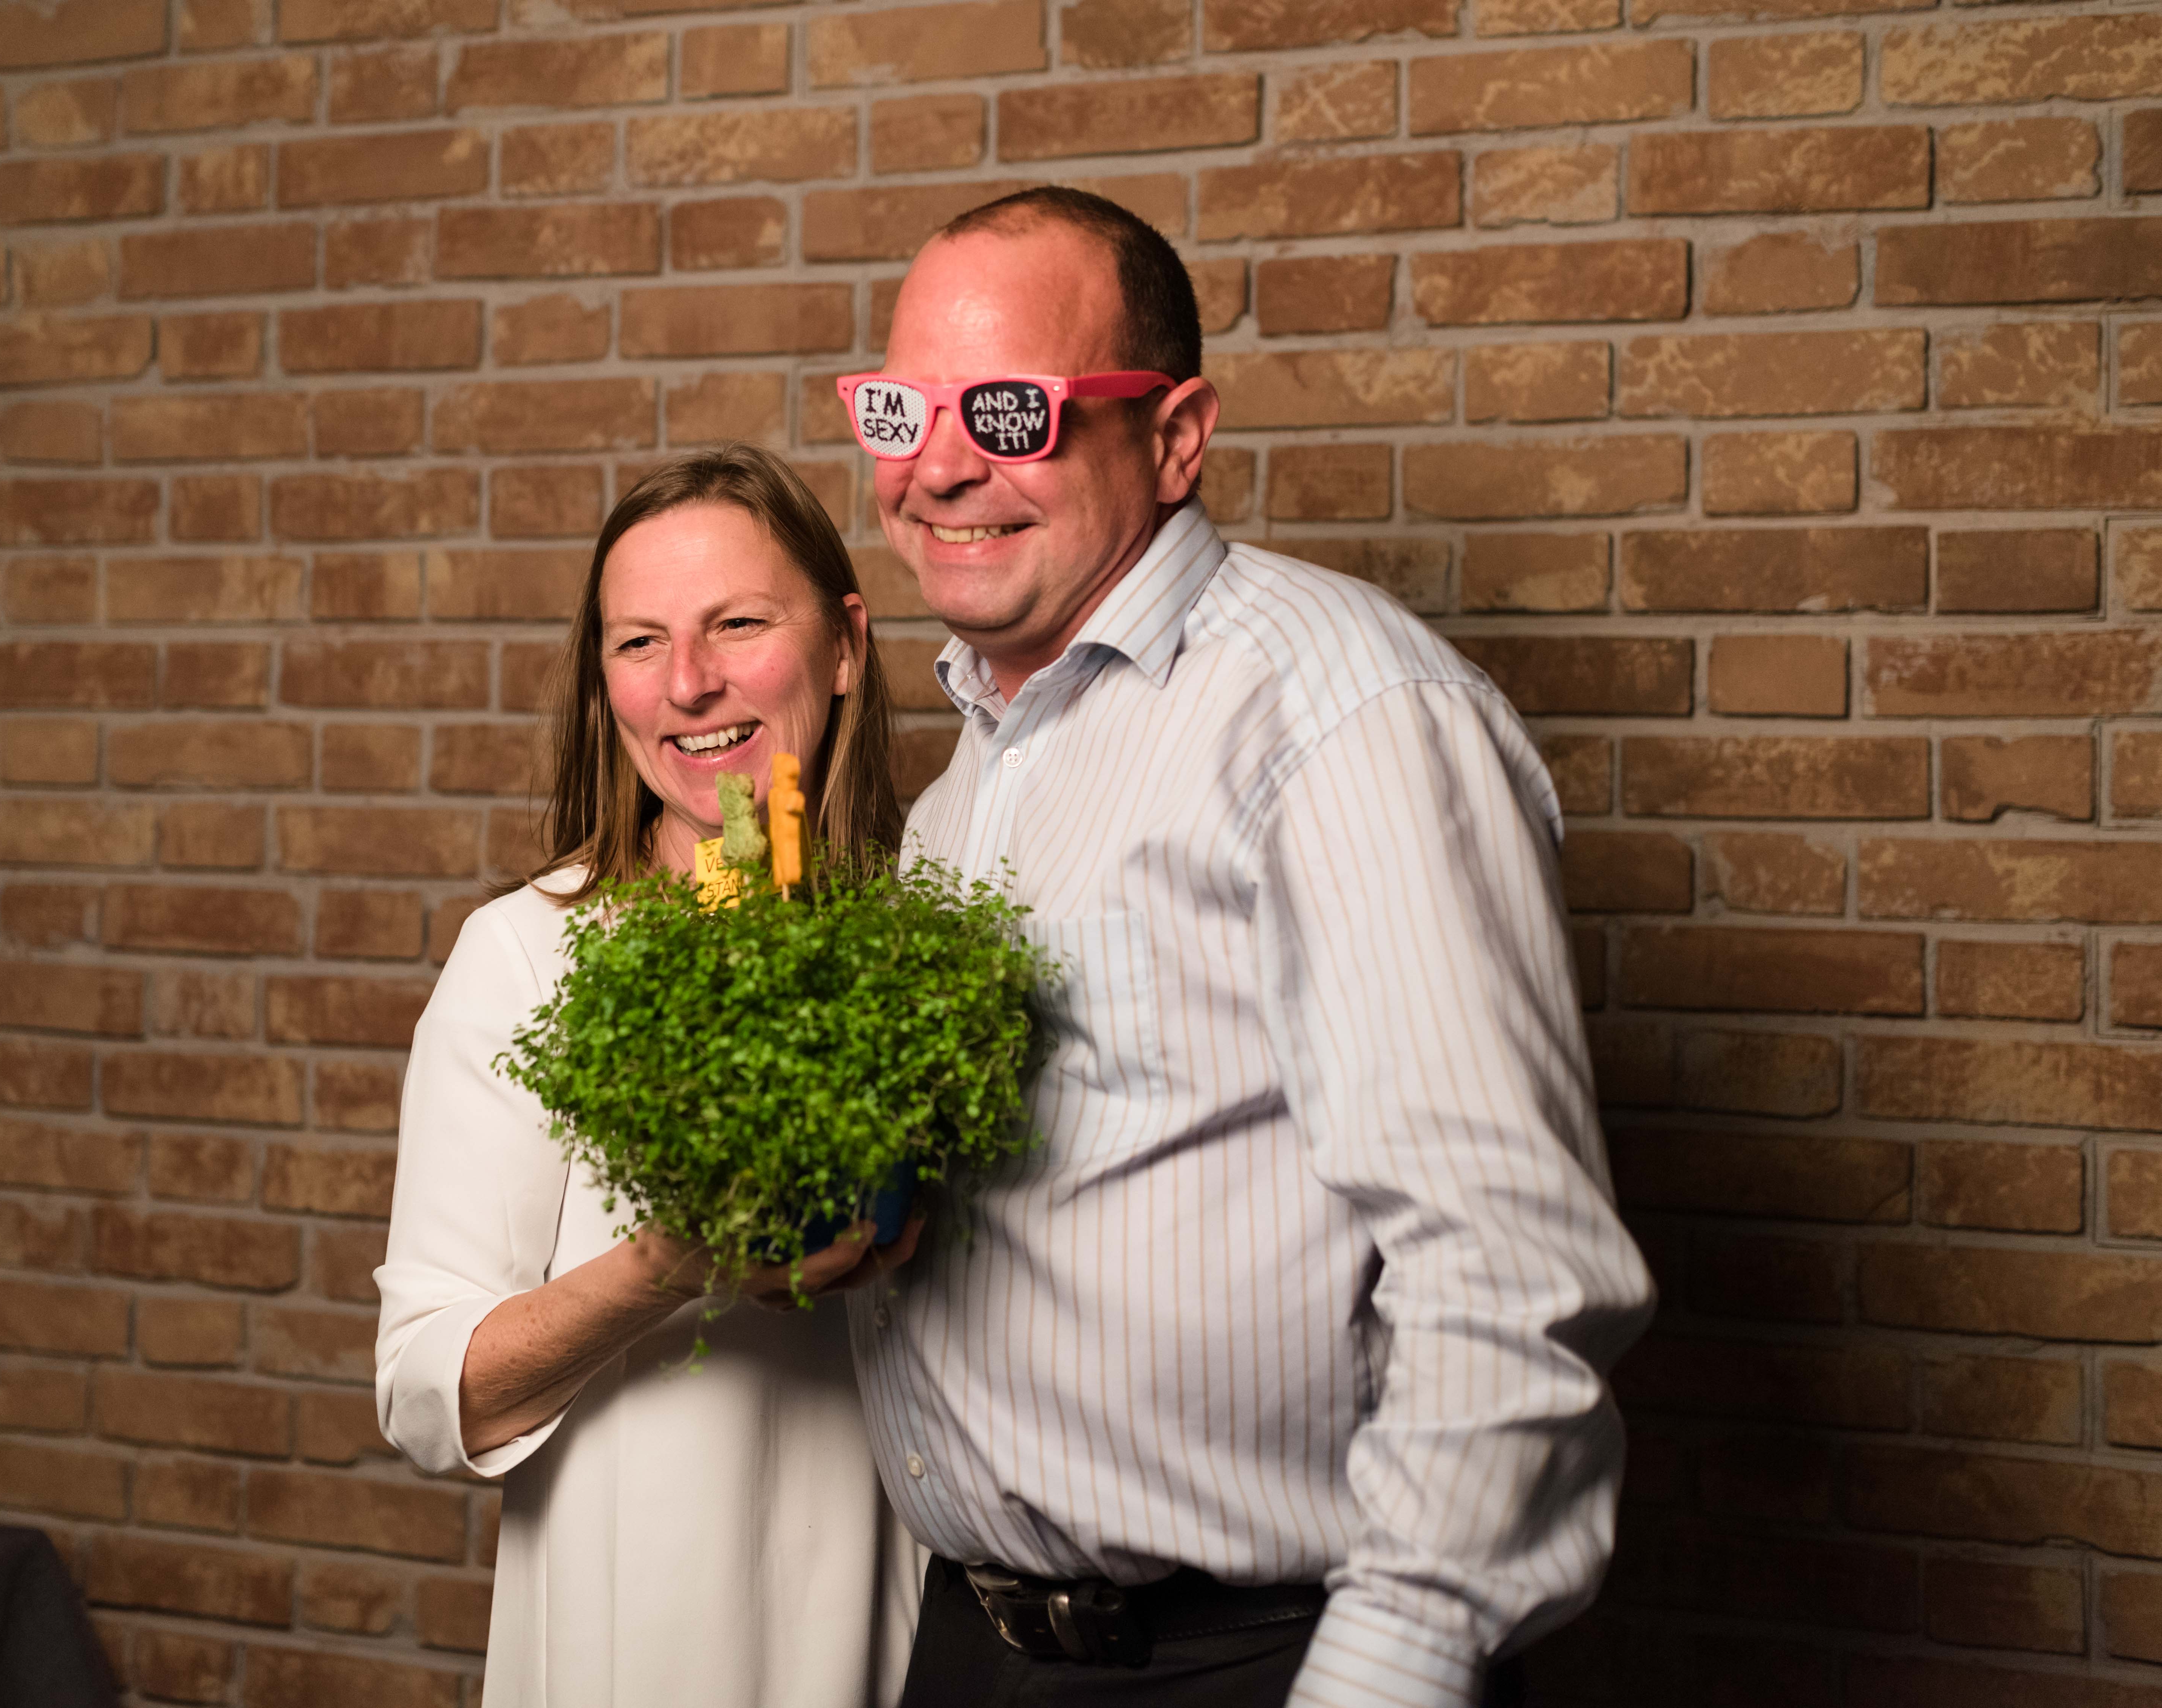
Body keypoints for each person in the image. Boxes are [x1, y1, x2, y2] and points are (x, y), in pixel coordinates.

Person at [836, 186, 1657, 1706]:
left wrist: (1385, 1674)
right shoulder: (965, 782)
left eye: (1010, 413)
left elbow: (1507, 1270)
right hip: (977, 1649)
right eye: (902, 411)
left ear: (1174, 437)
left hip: (1250, 1662)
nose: (936, 467)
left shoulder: (1339, 713)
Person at [375, 444, 925, 1708]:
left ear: (846, 645)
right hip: (642, 1644)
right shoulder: (529, 953)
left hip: (909, 1641)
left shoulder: (921, 939)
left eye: (738, 624)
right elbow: (427, 1387)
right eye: (640, 642)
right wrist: (673, 1260)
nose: (688, 683)